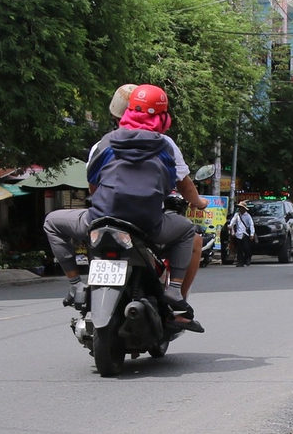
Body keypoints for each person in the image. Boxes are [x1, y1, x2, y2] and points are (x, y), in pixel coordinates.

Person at [42, 84, 207, 324]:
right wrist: (198, 202)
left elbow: (93, 186)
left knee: (51, 222)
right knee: (186, 231)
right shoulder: (166, 146)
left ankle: (76, 283)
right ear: (163, 117)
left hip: (100, 220)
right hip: (148, 225)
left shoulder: (103, 144)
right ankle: (174, 290)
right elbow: (176, 184)